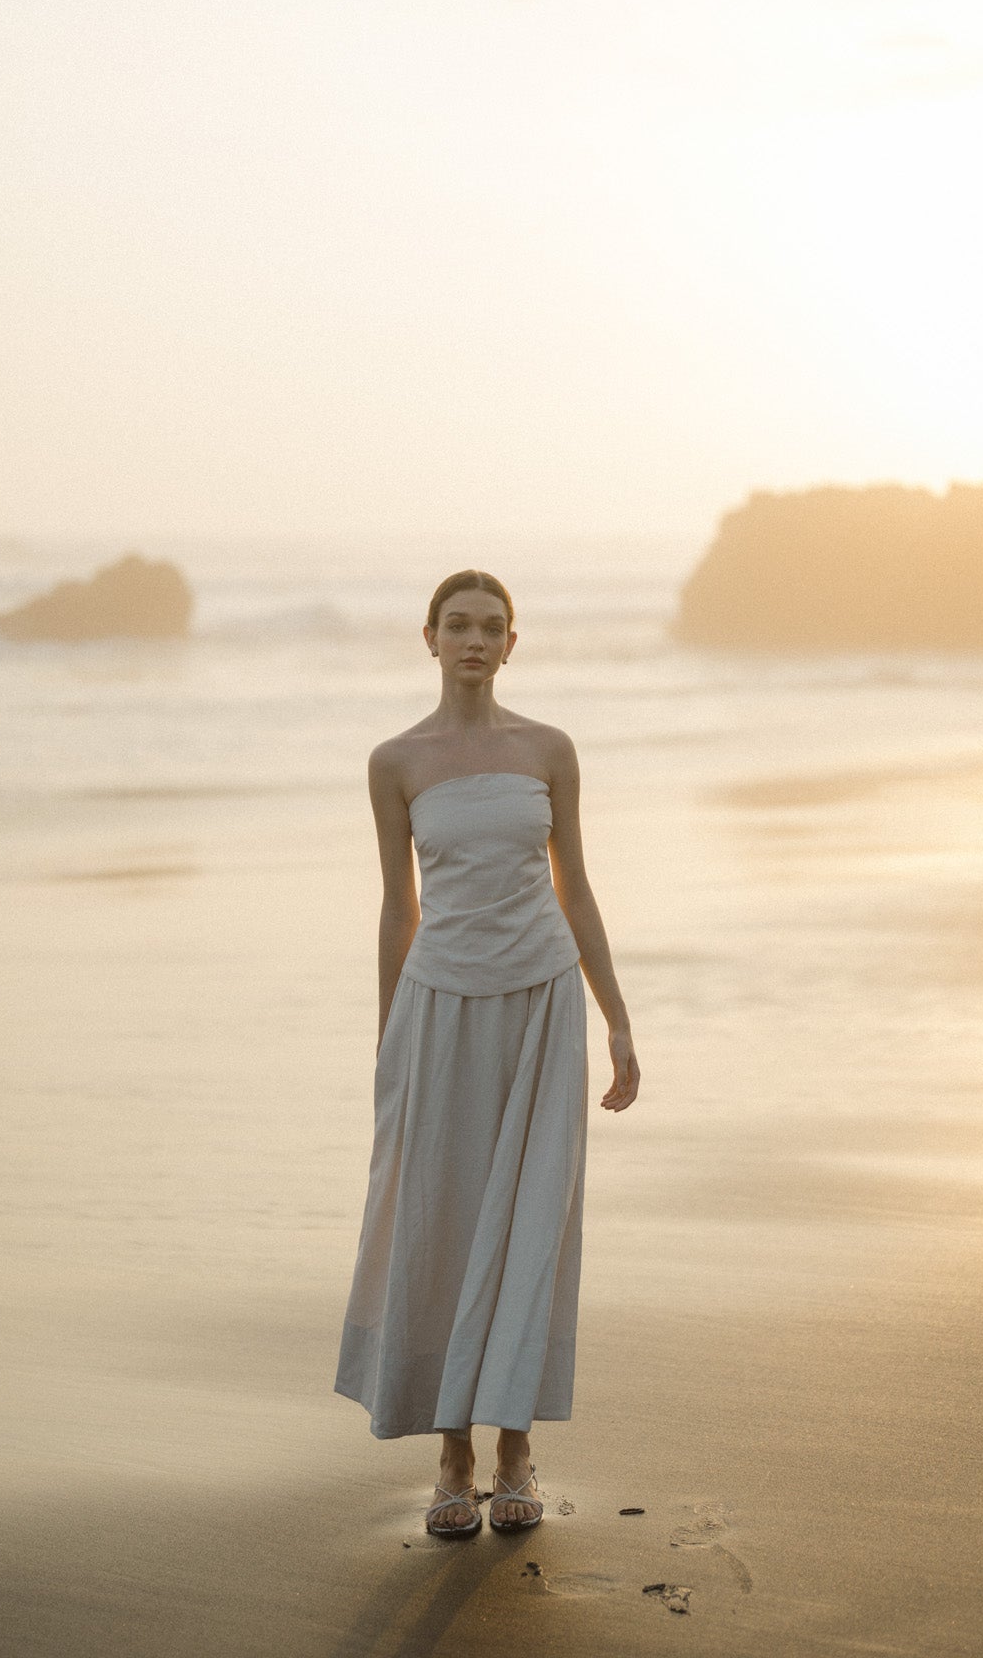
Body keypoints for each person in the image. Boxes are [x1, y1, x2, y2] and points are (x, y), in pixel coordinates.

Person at [334, 568, 640, 1537]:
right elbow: (397, 907)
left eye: (491, 626)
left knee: (531, 1218)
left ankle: (515, 1449)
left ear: (513, 644)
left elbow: (576, 885)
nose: (474, 638)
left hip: (544, 1000)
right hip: (440, 1006)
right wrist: (389, 1040)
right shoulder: (395, 760)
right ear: (428, 637)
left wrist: (618, 1018)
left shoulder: (549, 749)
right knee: (444, 1213)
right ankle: (451, 1450)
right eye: (457, 624)